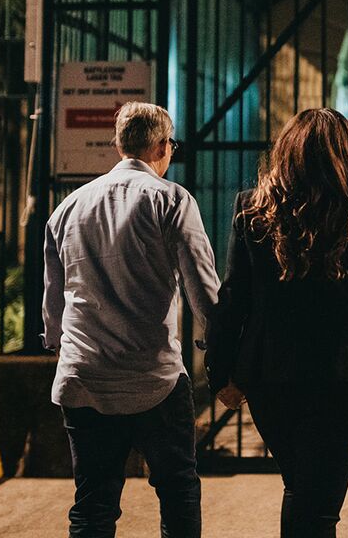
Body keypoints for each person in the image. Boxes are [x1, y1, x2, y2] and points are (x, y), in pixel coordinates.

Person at [205, 107, 348, 538]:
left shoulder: (253, 208)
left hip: (272, 378)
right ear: (346, 152)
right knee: (316, 506)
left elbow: (234, 298)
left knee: (306, 494)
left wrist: (221, 372)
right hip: (343, 377)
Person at [42, 102, 219, 538]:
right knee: (177, 491)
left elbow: (53, 306)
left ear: (120, 145)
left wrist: (58, 345)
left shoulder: (67, 209)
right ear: (161, 145)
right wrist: (220, 346)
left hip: (84, 376)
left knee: (93, 502)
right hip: (152, 376)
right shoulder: (171, 199)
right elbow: (203, 290)